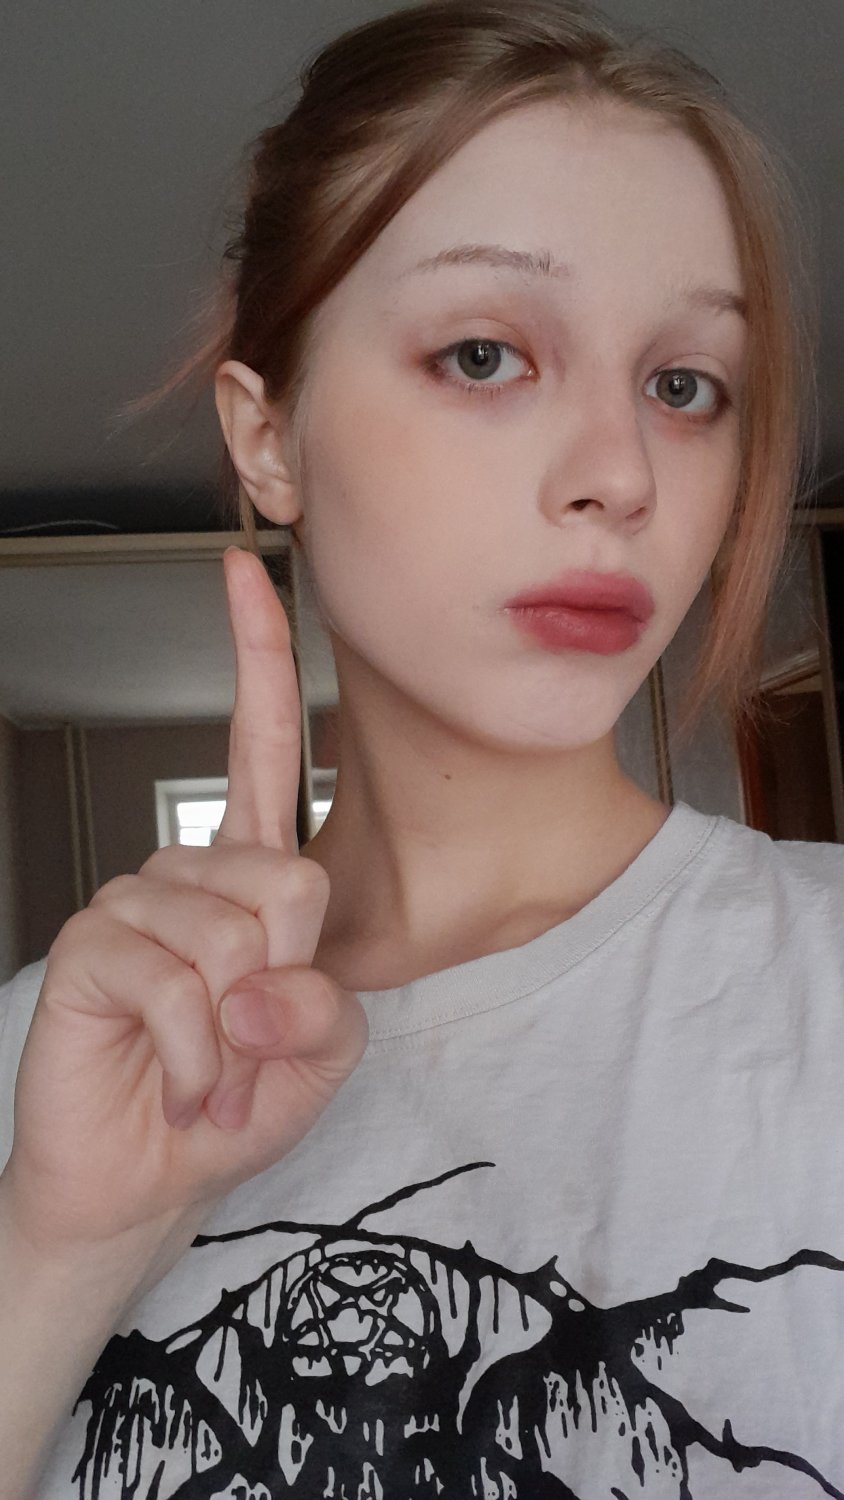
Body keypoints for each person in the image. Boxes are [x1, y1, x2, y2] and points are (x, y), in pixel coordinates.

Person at [1, 0, 840, 1494]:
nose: (621, 475)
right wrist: (58, 1255)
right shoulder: (49, 1067)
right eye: (484, 353)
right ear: (268, 438)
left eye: (684, 385)